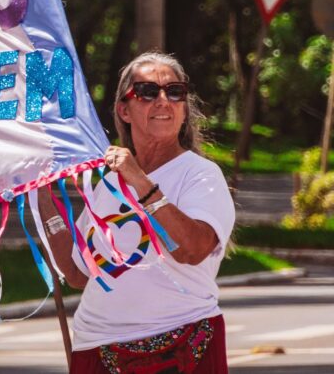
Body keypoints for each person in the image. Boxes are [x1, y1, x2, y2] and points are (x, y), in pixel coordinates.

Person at [40, 51, 235, 373]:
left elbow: (193, 249)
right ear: (124, 110)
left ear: (184, 109)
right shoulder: (109, 183)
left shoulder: (199, 174)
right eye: (147, 92)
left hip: (182, 344)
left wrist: (140, 181)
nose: (163, 101)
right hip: (97, 346)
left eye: (175, 92)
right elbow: (77, 273)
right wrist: (41, 196)